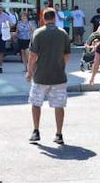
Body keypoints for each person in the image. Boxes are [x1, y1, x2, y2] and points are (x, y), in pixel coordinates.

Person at [26, 8, 71, 145]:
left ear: (43, 18)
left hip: (40, 75)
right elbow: (67, 55)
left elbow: (32, 55)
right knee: (59, 106)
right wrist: (60, 64)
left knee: (35, 103)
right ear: (55, 18)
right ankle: (59, 134)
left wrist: (29, 71)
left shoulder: (38, 33)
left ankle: (36, 131)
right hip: (58, 75)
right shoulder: (63, 33)